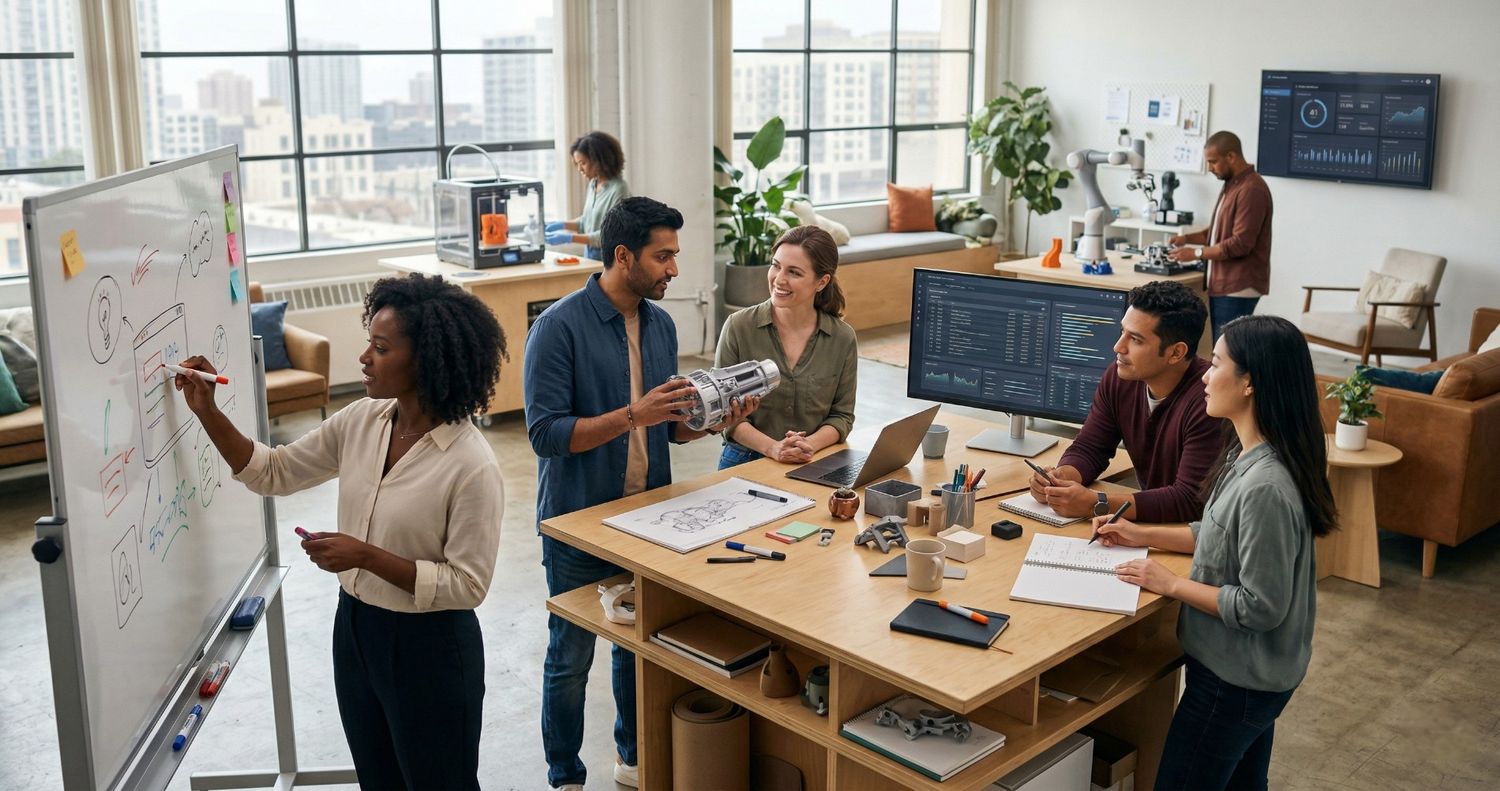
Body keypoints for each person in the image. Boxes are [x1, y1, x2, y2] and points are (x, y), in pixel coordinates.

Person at [174, 275, 507, 790]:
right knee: (378, 778)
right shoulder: (362, 421)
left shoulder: (470, 465)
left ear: (426, 360)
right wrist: (208, 413)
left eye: (380, 348)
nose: (364, 359)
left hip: (431, 648)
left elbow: (468, 585)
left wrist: (366, 556)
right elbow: (274, 471)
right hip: (355, 631)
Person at [524, 196, 757, 790]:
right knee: (570, 655)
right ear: (623, 256)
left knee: (637, 648)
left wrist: (718, 416)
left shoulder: (661, 325)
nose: (673, 269)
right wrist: (633, 414)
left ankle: (633, 759)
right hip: (580, 522)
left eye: (675, 255)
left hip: (648, 518)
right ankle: (564, 775)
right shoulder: (557, 328)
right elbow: (546, 436)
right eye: (663, 256)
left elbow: (672, 428)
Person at [1098, 314, 1336, 790]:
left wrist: (1169, 584)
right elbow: (1216, 530)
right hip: (1244, 677)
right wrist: (1140, 533)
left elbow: (1260, 607)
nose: (1205, 376)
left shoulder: (1266, 485)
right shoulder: (1248, 452)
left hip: (1237, 683)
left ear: (1249, 383)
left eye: (1219, 364)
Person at [1029, 280, 1224, 523]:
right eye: (1123, 332)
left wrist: (1096, 503)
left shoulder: (1211, 399)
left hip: (1192, 536)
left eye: (1136, 340)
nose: (1118, 347)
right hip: (1147, 526)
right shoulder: (1120, 376)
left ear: (1176, 353)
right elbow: (1091, 447)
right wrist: (1063, 477)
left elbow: (1190, 500)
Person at [714, 225, 857, 468]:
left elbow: (842, 416)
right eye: (776, 265)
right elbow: (724, 413)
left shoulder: (842, 338)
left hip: (814, 458)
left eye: (794, 272)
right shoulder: (738, 327)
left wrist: (808, 445)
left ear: (821, 282)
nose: (779, 279)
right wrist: (773, 448)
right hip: (745, 458)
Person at [1167, 130, 1274, 340]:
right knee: (1221, 349)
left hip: (1237, 287)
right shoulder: (1232, 185)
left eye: (1213, 162)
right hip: (1225, 285)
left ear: (1231, 157)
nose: (1210, 169)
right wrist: (1186, 239)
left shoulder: (1251, 189)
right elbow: (1217, 233)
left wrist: (1196, 253)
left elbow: (1240, 244)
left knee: (1227, 351)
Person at [545, 130, 631, 261]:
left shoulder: (619, 190)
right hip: (590, 257)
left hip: (610, 262)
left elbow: (610, 236)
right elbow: (587, 221)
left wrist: (570, 238)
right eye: (577, 164)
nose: (580, 169)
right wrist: (561, 225)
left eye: (583, 163)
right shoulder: (593, 184)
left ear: (599, 161)